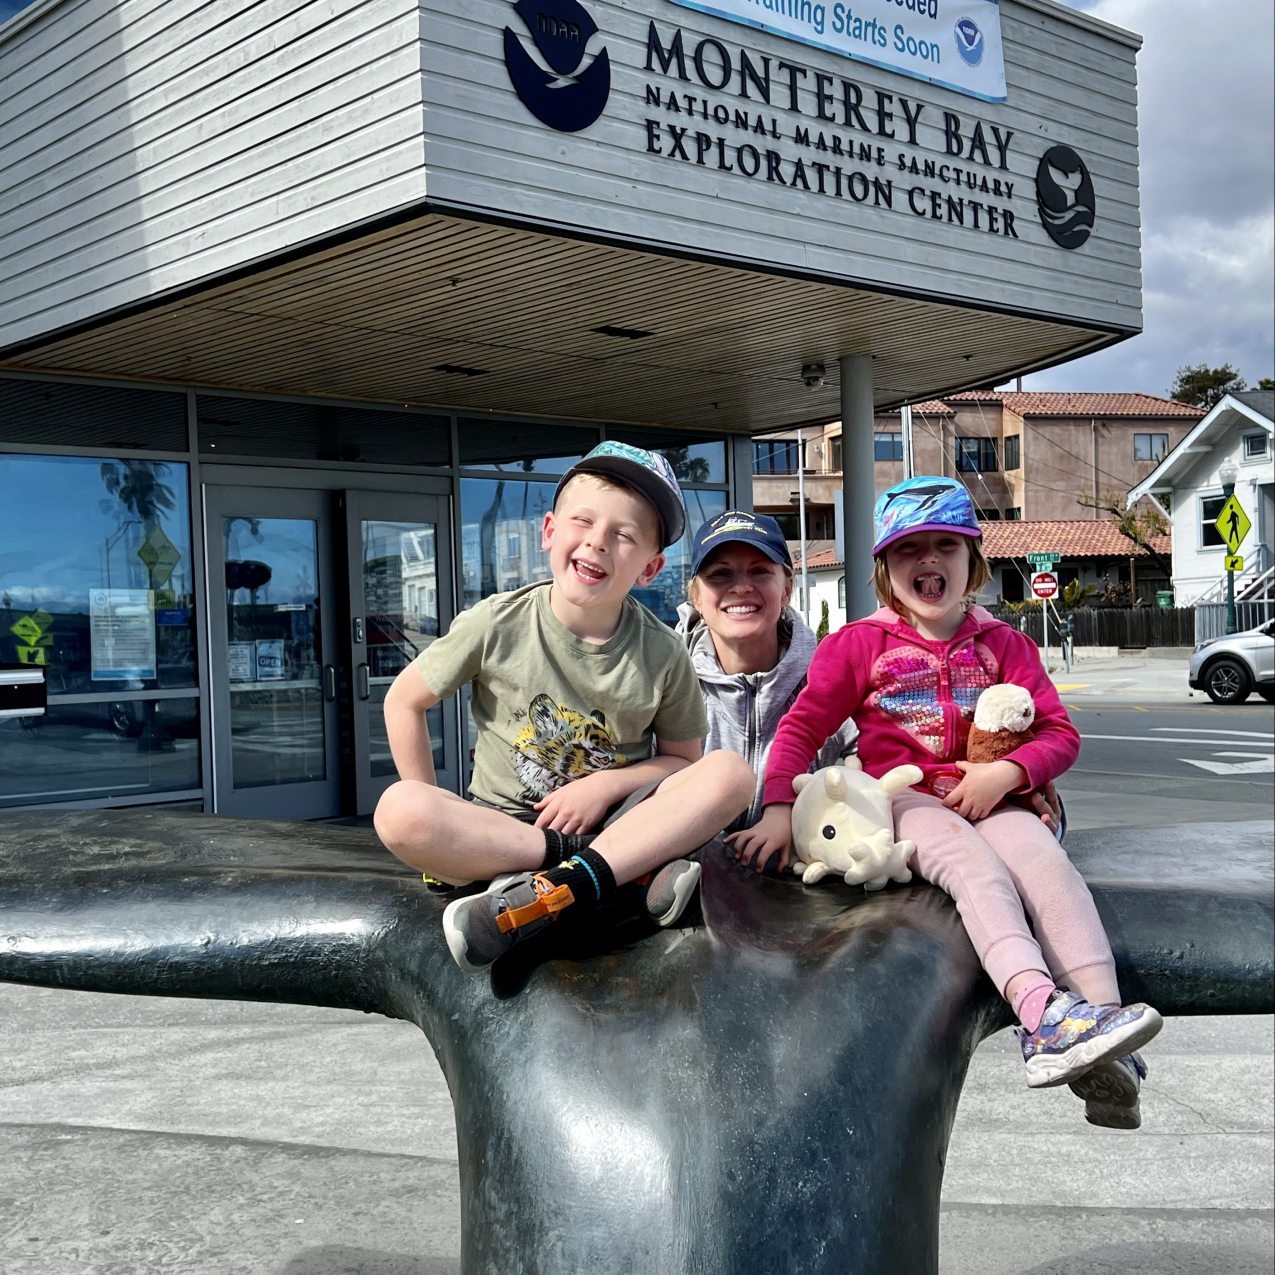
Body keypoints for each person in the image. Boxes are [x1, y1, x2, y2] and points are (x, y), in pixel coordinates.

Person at [755, 476, 1162, 1129]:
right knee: (975, 870)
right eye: (907, 548)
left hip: (990, 791)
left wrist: (1004, 773)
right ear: (885, 569)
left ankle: (1101, 1029)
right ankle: (1039, 1013)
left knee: (1044, 864)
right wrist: (778, 804)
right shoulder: (858, 644)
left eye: (945, 544)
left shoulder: (1004, 645)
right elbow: (801, 728)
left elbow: (1059, 734)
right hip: (903, 798)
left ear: (971, 560)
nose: (927, 559)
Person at [374, 442, 755, 974]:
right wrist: (437, 809)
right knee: (401, 809)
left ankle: (554, 889)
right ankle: (619, 878)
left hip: (618, 821)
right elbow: (403, 700)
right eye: (584, 521)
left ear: (650, 567)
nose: (598, 542)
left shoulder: (664, 651)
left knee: (731, 774)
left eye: (624, 535)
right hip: (507, 827)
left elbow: (682, 764)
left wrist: (605, 785)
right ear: (550, 530)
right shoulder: (495, 622)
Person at [678, 509, 1062, 866]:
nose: (741, 587)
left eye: (760, 571)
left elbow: (925, 754)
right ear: (695, 595)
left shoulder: (840, 673)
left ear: (787, 588)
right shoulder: (668, 682)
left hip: (816, 881)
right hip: (695, 876)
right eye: (720, 574)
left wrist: (1023, 773)